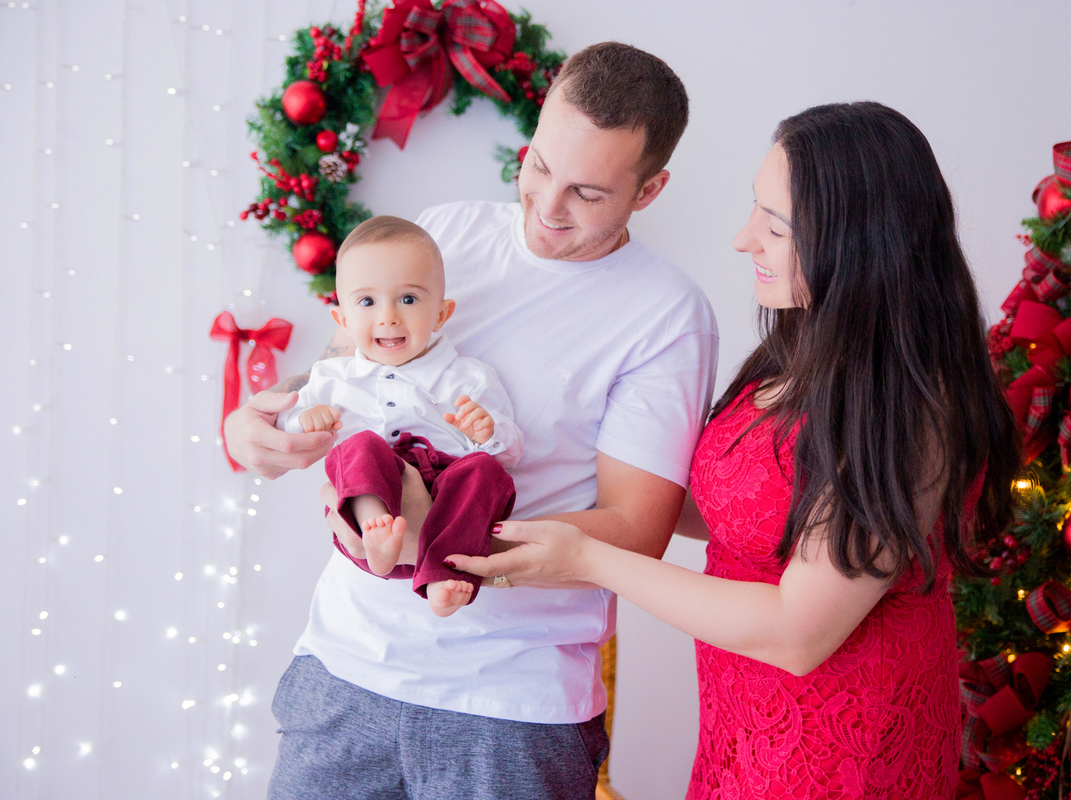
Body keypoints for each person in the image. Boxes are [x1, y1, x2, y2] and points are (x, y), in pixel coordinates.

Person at [445, 102, 1022, 798]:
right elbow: (737, 507)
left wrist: (591, 556)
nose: (744, 239)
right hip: (744, 721)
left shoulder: (911, 405)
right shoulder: (802, 350)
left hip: (847, 748)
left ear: (860, 241)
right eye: (757, 208)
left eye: (775, 226)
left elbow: (797, 632)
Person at [222, 43, 718, 799]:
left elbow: (637, 527)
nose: (548, 207)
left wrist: (442, 541)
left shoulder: (667, 316)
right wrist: (256, 427)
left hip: (511, 705)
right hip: (345, 664)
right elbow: (340, 364)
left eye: (587, 192)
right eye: (541, 166)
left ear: (649, 190)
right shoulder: (445, 231)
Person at [277, 215, 522, 617]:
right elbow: (287, 424)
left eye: (408, 299)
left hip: (445, 505)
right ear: (342, 320)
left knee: (485, 472)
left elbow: (510, 452)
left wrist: (488, 432)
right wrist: (304, 419)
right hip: (363, 514)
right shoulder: (333, 376)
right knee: (359, 446)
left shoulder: (468, 376)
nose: (388, 316)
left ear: (442, 315)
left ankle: (444, 572)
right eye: (367, 302)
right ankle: (377, 529)